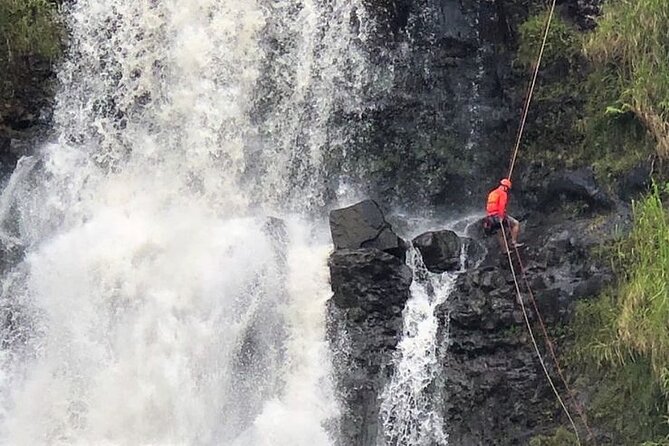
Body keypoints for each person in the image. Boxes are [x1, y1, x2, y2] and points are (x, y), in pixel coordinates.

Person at [483, 178, 522, 251]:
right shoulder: (502, 193)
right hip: (498, 215)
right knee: (516, 224)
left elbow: (489, 206)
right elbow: (501, 206)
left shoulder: (492, 193)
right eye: (507, 189)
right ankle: (513, 242)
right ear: (505, 187)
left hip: (490, 217)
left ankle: (505, 250)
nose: (507, 190)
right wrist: (501, 216)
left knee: (500, 233)